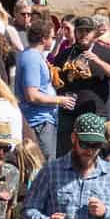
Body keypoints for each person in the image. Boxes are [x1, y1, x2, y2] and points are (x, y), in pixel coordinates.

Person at [17, 28, 75, 163]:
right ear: (44, 39)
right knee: (44, 165)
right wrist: (60, 100)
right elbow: (32, 95)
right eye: (52, 37)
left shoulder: (33, 54)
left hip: (41, 120)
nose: (53, 39)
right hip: (39, 122)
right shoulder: (32, 58)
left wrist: (59, 42)